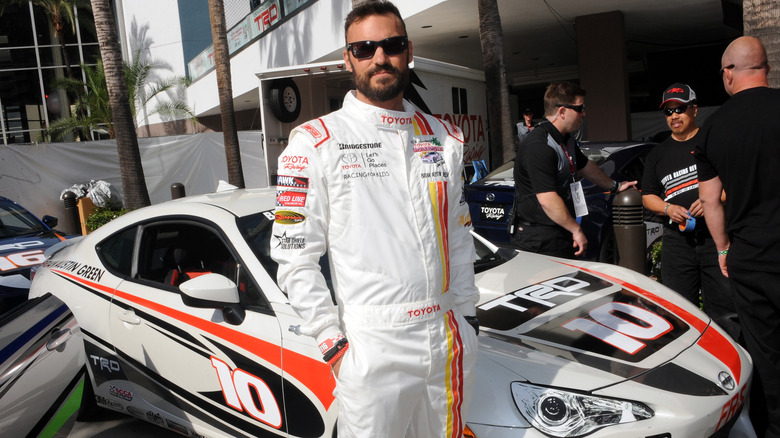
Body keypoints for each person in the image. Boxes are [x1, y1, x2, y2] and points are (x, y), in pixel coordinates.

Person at [270, 1, 479, 436]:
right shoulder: (315, 142)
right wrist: (334, 346)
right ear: (348, 59)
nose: (379, 57)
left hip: (446, 335)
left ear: (408, 51)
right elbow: (294, 259)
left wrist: (467, 315)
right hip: (370, 344)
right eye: (364, 48)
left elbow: (458, 236)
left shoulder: (444, 138)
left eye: (391, 45)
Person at [695, 36, 780, 438]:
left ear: (729, 73)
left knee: (766, 351)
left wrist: (723, 249)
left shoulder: (713, 128)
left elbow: (710, 202)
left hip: (749, 256)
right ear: (765, 66)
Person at [641, 83, 739, 340]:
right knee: (678, 311)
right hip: (677, 243)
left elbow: (735, 182)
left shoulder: (712, 141)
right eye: (669, 111)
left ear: (694, 110)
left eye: (680, 109)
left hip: (714, 238)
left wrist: (712, 201)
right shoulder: (657, 154)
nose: (674, 116)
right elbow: (647, 197)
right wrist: (667, 207)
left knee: (725, 311)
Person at [511, 81, 636, 259]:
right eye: (580, 108)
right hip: (537, 238)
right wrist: (575, 229)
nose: (584, 113)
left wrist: (615, 186)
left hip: (558, 230)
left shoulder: (566, 138)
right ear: (562, 111)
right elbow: (547, 199)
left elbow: (585, 166)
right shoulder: (539, 145)